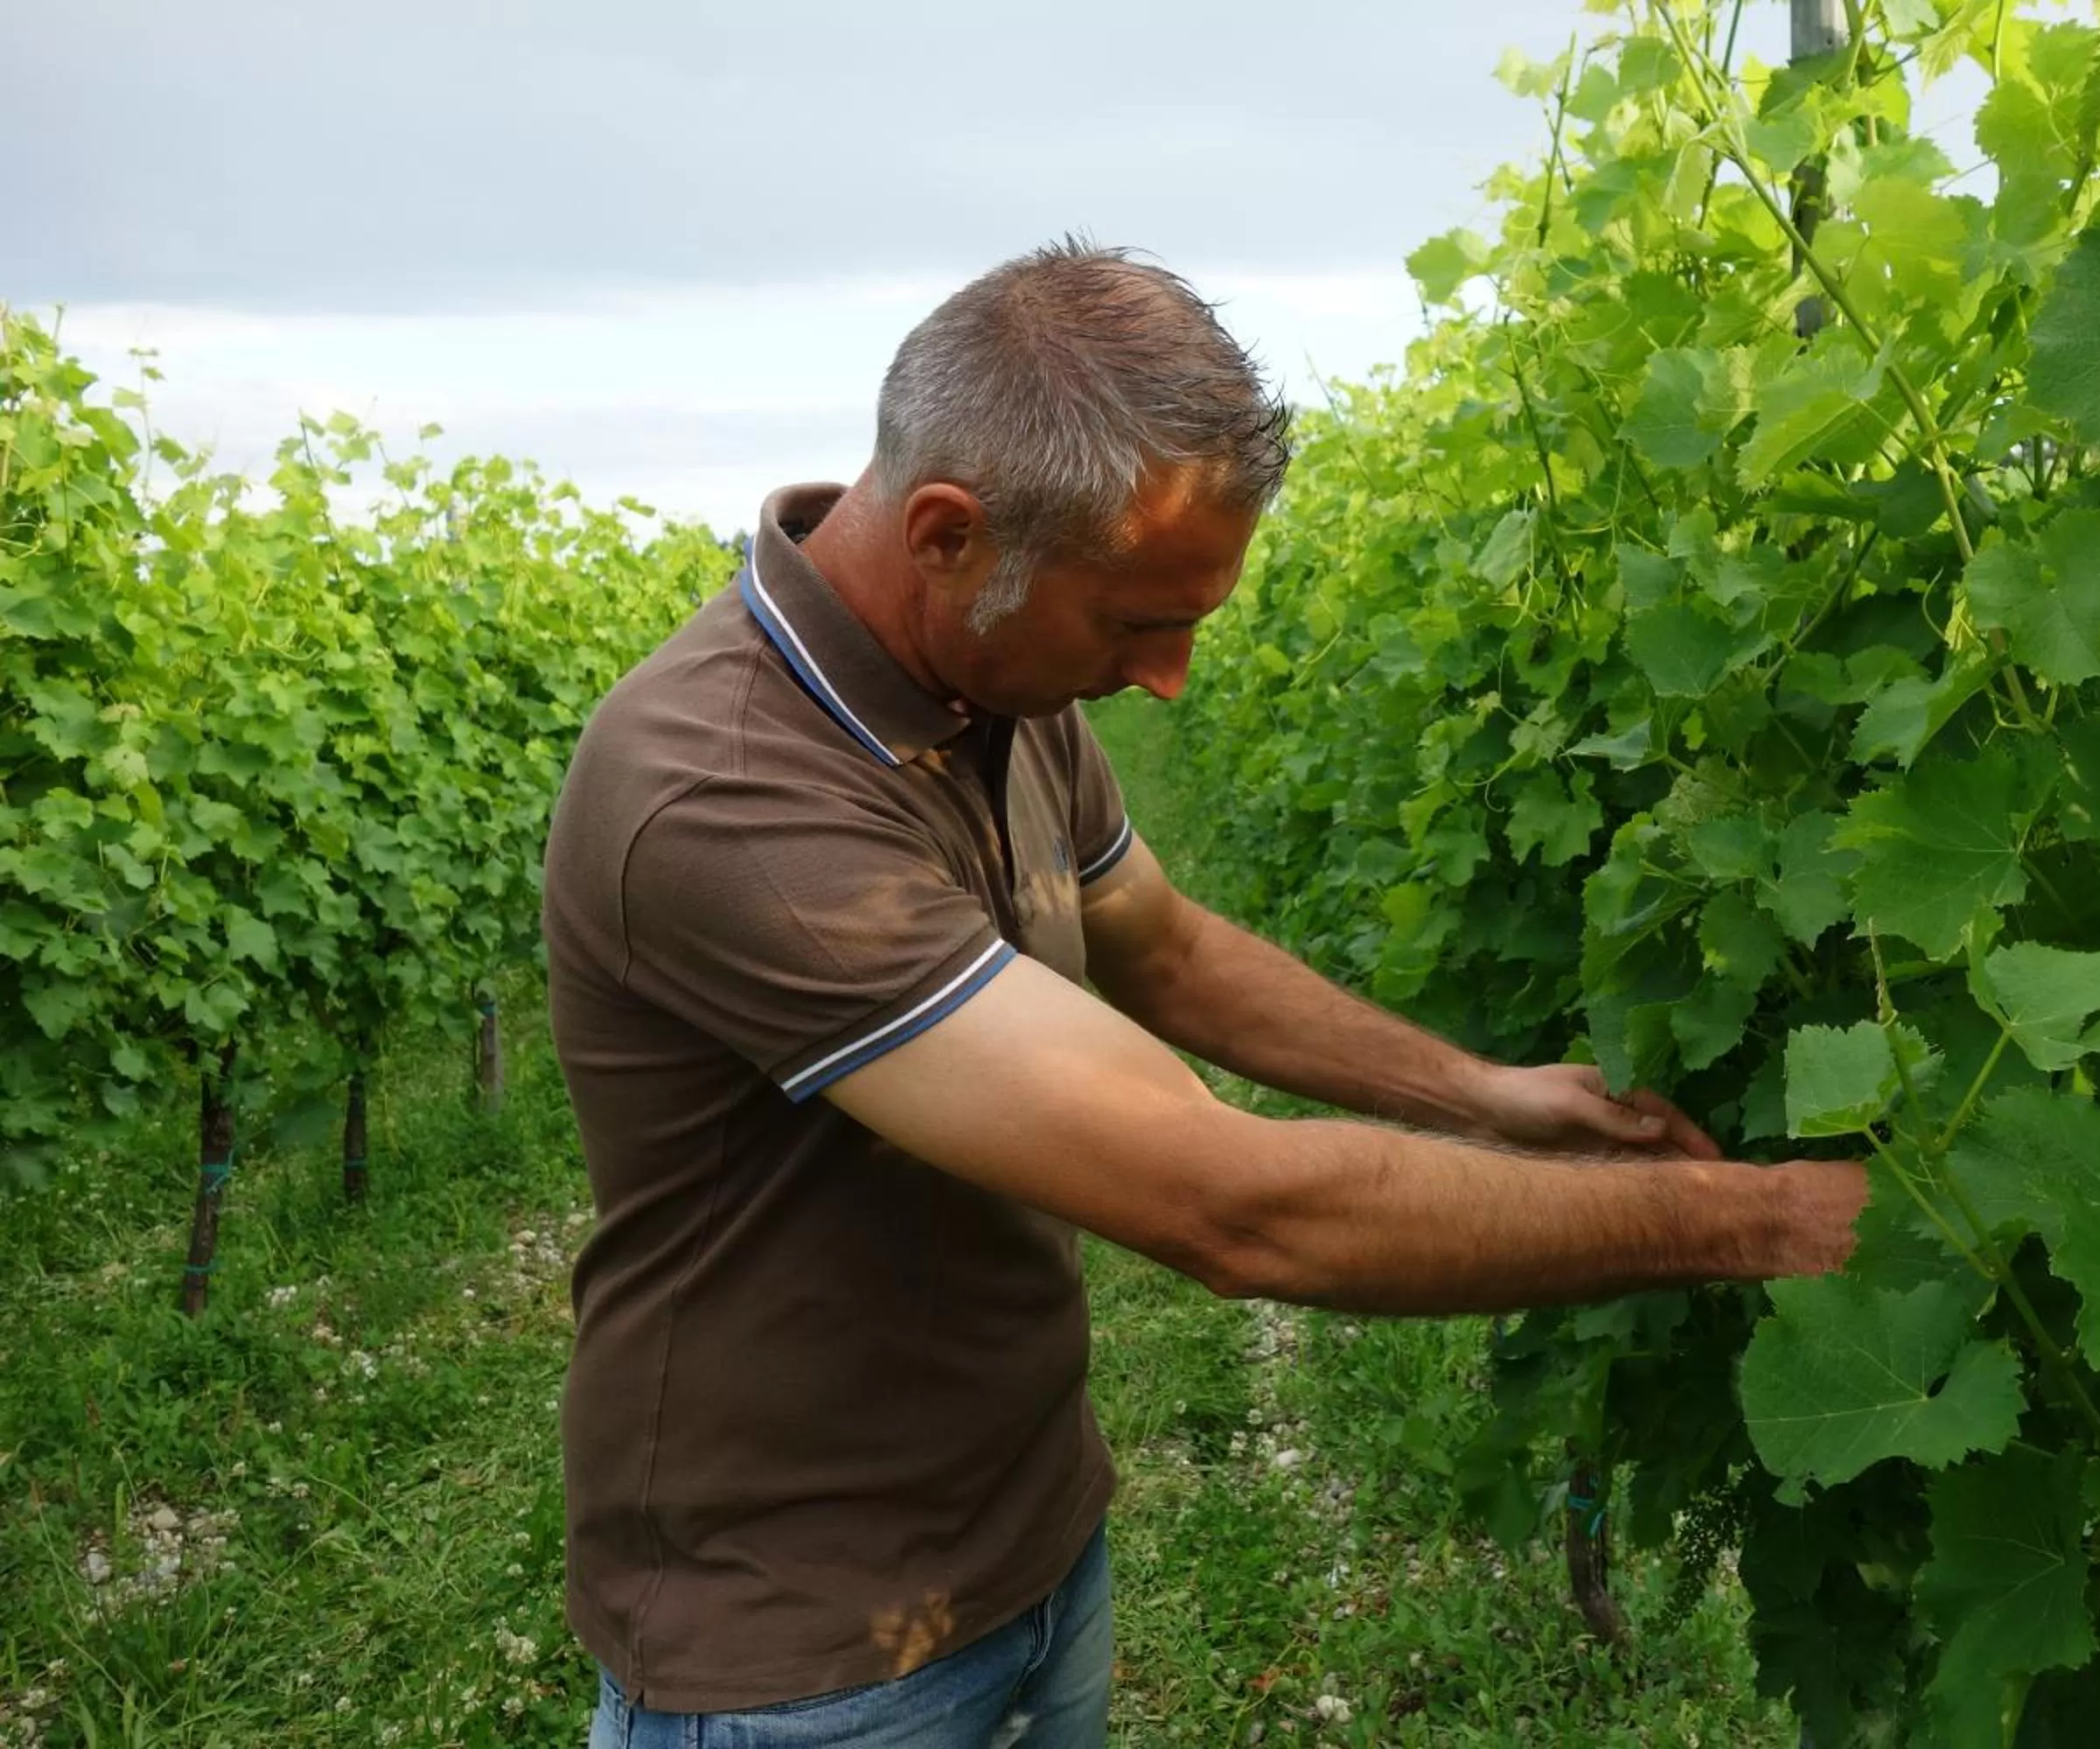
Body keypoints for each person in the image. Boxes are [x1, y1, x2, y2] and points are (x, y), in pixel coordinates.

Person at [541, 240, 1868, 1749]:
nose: (1167, 678)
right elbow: (1239, 1209)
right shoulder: (723, 799)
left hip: (1027, 1536)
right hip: (809, 1655)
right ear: (948, 535)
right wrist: (1765, 1220)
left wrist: (1490, 1099)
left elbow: (1158, 946)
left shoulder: (994, 686)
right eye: (1136, 625)